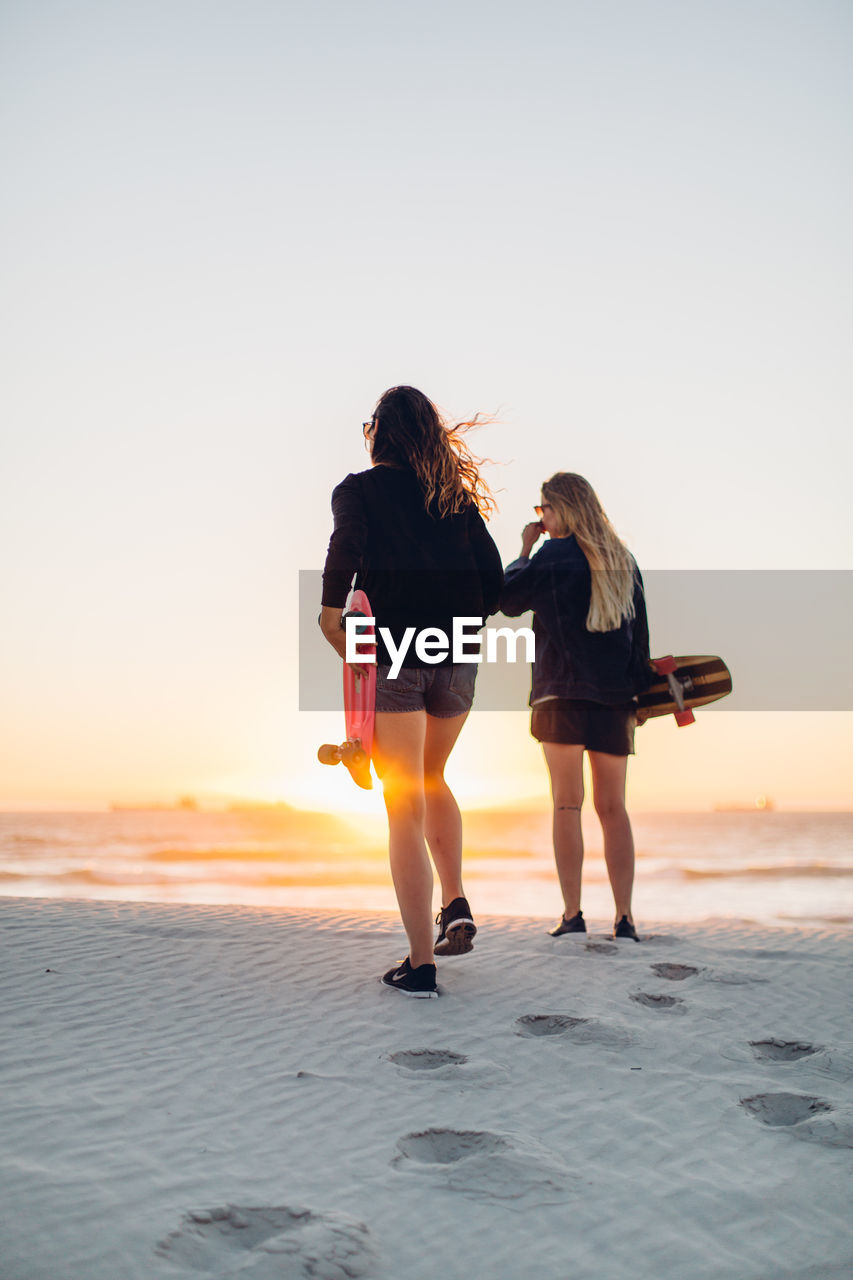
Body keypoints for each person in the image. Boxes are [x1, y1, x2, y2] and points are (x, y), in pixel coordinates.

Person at [320, 386, 503, 996]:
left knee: (403, 802)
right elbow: (496, 587)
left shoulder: (359, 490)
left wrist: (328, 613)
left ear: (380, 432)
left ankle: (422, 965)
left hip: (395, 651)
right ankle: (453, 900)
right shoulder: (453, 499)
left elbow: (345, 545)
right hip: (457, 660)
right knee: (431, 778)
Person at [500, 472, 651, 941]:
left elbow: (506, 601)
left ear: (557, 510)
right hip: (614, 699)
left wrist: (523, 550)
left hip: (559, 696)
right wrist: (641, 698)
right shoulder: (623, 561)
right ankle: (624, 919)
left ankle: (573, 915)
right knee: (614, 809)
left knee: (567, 805)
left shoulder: (551, 557)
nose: (539, 520)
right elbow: (639, 642)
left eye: (541, 511)